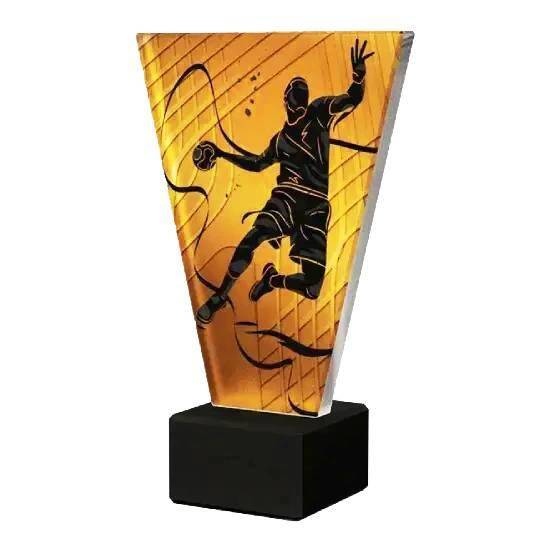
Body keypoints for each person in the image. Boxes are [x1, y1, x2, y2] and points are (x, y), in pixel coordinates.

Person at [196, 39, 373, 324]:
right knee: (253, 238)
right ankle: (219, 297)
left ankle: (272, 280)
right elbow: (256, 164)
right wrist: (221, 154)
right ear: (286, 101)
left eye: (302, 93)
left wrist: (358, 77)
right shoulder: (279, 140)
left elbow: (351, 98)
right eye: (295, 93)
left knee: (313, 288)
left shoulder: (319, 112)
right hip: (287, 198)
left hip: (316, 204)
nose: (299, 96)